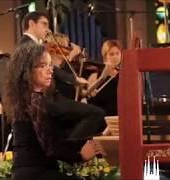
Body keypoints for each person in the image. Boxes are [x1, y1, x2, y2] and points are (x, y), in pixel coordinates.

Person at [6, 42, 104, 180]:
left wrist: (86, 143)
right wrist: (80, 155)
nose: (50, 70)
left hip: (34, 172)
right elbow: (51, 146)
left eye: (49, 64)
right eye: (42, 65)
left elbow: (54, 137)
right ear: (27, 71)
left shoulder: (30, 99)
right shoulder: (34, 101)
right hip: (35, 174)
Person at [17, 11, 106, 139]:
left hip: (49, 96)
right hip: (44, 99)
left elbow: (49, 68)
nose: (48, 29)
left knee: (93, 113)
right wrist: (73, 78)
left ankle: (70, 148)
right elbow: (50, 68)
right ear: (31, 24)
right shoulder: (28, 45)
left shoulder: (30, 45)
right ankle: (70, 149)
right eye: (44, 24)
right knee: (95, 113)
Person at [87, 40, 121, 116]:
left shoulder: (124, 75)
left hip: (118, 117)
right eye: (111, 54)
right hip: (100, 117)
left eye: (117, 53)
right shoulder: (94, 76)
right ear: (105, 57)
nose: (115, 57)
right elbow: (89, 96)